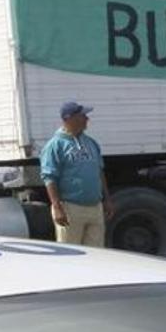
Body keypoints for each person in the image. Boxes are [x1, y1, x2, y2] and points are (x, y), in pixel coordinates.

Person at [39, 101, 114, 247]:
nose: (87, 119)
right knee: (72, 253)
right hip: (70, 208)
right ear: (69, 118)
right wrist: (57, 207)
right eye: (83, 116)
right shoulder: (55, 145)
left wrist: (107, 199)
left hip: (95, 207)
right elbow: (49, 177)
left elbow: (99, 171)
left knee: (96, 253)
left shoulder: (91, 143)